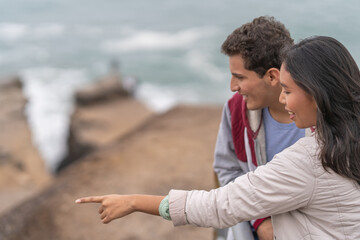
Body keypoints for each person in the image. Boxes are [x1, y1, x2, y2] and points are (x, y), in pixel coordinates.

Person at [76, 36, 360, 239]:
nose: (284, 100)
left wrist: (134, 201)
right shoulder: (347, 137)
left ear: (316, 93)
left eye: (288, 90)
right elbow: (227, 170)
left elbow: (218, 207)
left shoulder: (309, 160)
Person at [213, 16, 310, 240]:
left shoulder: (322, 112)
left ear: (272, 76)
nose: (232, 87)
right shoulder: (235, 110)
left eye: (239, 77)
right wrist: (261, 222)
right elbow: (227, 171)